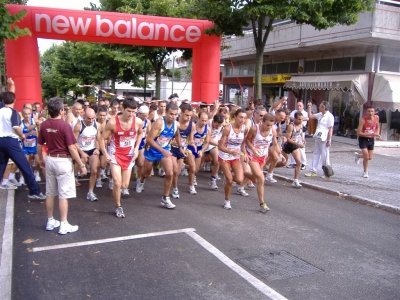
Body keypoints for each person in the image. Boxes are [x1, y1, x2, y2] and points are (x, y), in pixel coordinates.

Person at [37, 97, 87, 234]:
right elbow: (71, 147)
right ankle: (64, 223)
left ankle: (50, 220)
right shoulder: (64, 125)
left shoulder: (44, 124)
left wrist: (41, 159)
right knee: (63, 195)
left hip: (50, 159)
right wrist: (81, 164)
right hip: (63, 161)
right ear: (61, 110)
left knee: (50, 193)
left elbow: (39, 144)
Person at [136, 103, 186, 209]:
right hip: (152, 150)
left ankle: (165, 198)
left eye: (175, 114)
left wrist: (181, 147)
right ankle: (141, 181)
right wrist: (162, 150)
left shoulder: (176, 124)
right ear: (166, 113)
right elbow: (149, 140)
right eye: (171, 114)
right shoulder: (159, 122)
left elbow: (177, 134)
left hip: (165, 150)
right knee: (146, 173)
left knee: (170, 173)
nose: (173, 117)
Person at [99, 99, 143, 218]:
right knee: (118, 184)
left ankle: (116, 183)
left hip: (129, 155)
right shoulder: (113, 122)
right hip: (115, 154)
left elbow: (140, 133)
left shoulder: (138, 121)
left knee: (125, 185)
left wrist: (137, 147)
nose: (131, 114)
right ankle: (118, 206)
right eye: (129, 111)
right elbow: (101, 139)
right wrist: (105, 153)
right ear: (122, 109)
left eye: (133, 112)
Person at [0, 92, 45, 198]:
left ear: (3, 101)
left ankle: (34, 191)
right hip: (11, 141)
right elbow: (16, 127)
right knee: (25, 166)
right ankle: (35, 191)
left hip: (0, 140)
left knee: (1, 165)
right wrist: (22, 135)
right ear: (14, 100)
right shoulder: (14, 112)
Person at [244, 113, 276, 212]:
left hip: (263, 156)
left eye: (271, 125)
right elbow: (246, 140)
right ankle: (262, 204)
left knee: (256, 179)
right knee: (261, 178)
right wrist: (253, 149)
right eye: (267, 125)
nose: (269, 127)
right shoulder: (255, 129)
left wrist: (280, 154)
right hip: (252, 156)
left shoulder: (272, 130)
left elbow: (274, 142)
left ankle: (241, 173)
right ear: (262, 122)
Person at [218, 108, 248, 210]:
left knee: (239, 180)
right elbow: (220, 146)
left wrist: (245, 154)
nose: (242, 120)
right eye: (240, 117)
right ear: (235, 117)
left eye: (244, 118)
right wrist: (230, 151)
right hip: (224, 156)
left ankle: (227, 180)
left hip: (236, 157)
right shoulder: (227, 129)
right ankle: (227, 200)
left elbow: (243, 143)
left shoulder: (245, 128)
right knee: (230, 180)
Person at [74, 108, 102, 201]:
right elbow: (73, 142)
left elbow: (98, 139)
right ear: (84, 116)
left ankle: (90, 192)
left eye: (93, 118)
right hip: (81, 150)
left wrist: (97, 148)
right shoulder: (78, 126)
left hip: (92, 150)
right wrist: (81, 153)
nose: (91, 120)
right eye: (88, 118)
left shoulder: (97, 125)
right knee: (77, 170)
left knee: (94, 170)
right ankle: (73, 179)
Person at [170, 103, 195, 199]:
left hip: (182, 149)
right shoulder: (174, 122)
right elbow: (165, 136)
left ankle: (175, 186)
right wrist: (172, 142)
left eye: (190, 115)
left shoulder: (192, 125)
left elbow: (190, 139)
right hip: (171, 149)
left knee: (178, 172)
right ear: (181, 113)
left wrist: (192, 142)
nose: (189, 117)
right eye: (187, 115)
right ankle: (175, 188)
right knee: (175, 171)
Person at [305, 101, 334, 177]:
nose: (319, 107)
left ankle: (326, 172)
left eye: (320, 106)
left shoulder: (330, 116)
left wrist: (329, 140)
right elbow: (310, 116)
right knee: (316, 153)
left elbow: (330, 129)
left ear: (324, 108)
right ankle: (313, 170)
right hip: (318, 137)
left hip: (325, 139)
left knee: (324, 155)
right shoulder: (320, 114)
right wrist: (309, 107)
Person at [187, 111, 210, 194]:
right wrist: (192, 143)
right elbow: (190, 139)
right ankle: (191, 186)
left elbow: (207, 142)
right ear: (198, 118)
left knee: (196, 170)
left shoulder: (207, 129)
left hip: (199, 149)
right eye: (202, 120)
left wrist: (202, 150)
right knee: (193, 168)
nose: (204, 122)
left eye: (206, 120)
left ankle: (185, 167)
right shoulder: (193, 126)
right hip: (190, 148)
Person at [354, 105, 380, 178]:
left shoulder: (376, 118)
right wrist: (371, 133)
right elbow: (358, 133)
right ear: (366, 112)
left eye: (372, 111)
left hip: (371, 139)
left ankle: (358, 156)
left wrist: (377, 133)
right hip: (363, 139)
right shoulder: (363, 120)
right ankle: (365, 172)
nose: (370, 113)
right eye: (369, 111)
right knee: (366, 156)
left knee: (370, 157)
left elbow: (377, 127)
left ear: (374, 112)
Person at [282, 112, 305, 188]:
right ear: (295, 118)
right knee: (283, 163)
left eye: (301, 119)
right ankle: (269, 170)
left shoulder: (301, 125)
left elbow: (300, 133)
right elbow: (288, 139)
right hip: (288, 145)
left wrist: (303, 139)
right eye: (299, 119)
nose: (300, 121)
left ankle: (295, 180)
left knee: (299, 162)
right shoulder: (291, 126)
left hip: (294, 146)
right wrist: (298, 144)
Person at [203, 114, 224, 189]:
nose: (217, 127)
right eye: (216, 125)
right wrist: (219, 144)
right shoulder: (208, 124)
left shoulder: (222, 125)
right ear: (213, 121)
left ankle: (213, 178)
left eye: (219, 125)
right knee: (196, 167)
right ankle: (186, 167)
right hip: (204, 144)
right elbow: (208, 140)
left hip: (213, 145)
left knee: (217, 161)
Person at [287, 101, 308, 169]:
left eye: (300, 106)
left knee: (301, 148)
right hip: (294, 131)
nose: (299, 107)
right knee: (292, 147)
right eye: (298, 105)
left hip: (301, 131)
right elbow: (290, 117)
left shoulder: (305, 113)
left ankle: (303, 163)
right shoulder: (294, 111)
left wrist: (302, 138)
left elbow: (307, 118)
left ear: (303, 106)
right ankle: (293, 162)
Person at [135, 104, 151, 187]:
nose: (145, 117)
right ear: (139, 114)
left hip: (141, 143)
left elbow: (149, 132)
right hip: (132, 143)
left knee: (141, 164)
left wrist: (147, 137)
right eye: (143, 115)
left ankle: (138, 179)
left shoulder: (147, 122)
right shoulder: (133, 120)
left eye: (147, 115)